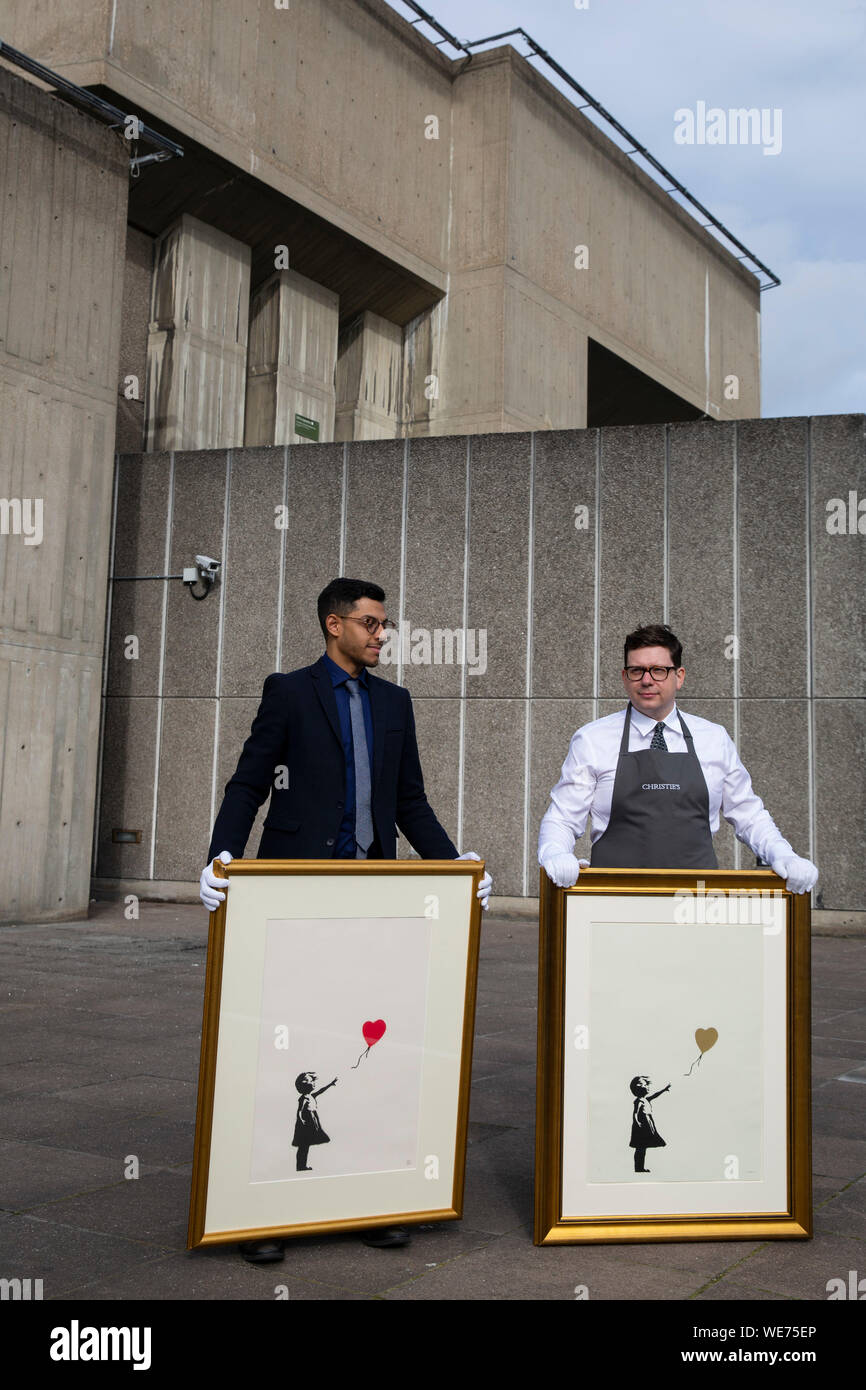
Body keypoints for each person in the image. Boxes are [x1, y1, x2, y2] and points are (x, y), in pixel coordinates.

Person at [199, 577, 493, 1262]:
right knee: (286, 1053)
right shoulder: (289, 692)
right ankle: (263, 1210)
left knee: (360, 1051)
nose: (381, 635)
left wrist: (458, 865)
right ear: (334, 625)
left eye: (384, 625)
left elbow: (408, 801)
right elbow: (248, 781)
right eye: (369, 624)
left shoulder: (395, 702)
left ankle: (366, 1199)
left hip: (372, 899)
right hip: (293, 896)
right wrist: (221, 855)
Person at [539, 622, 819, 892]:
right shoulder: (592, 739)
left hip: (697, 902)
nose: (647, 680)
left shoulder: (713, 738)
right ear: (625, 678)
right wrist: (554, 852)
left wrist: (783, 854)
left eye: (658, 670)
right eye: (637, 671)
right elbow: (562, 817)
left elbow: (749, 814)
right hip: (615, 901)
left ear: (679, 676)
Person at [629, 1076, 670, 1174]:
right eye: (646, 1085)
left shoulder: (646, 1099)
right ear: (639, 1088)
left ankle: (640, 1168)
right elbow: (635, 1113)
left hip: (647, 1124)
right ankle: (638, 1168)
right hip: (642, 1125)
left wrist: (664, 1090)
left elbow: (655, 1095)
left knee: (643, 1148)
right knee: (640, 1148)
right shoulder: (638, 1101)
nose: (648, 1087)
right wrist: (637, 1122)